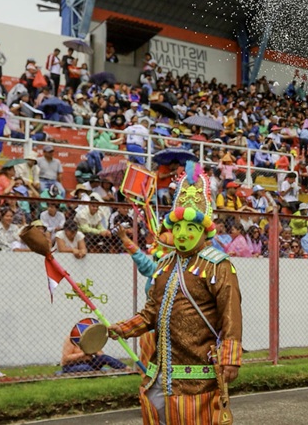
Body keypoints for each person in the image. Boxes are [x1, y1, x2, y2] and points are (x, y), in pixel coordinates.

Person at [108, 164, 242, 423]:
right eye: (178, 226)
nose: (183, 233)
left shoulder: (218, 264)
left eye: (191, 227)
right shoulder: (166, 264)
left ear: (204, 230)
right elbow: (151, 313)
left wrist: (231, 358)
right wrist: (123, 329)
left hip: (197, 375)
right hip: (161, 373)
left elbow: (231, 314)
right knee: (155, 412)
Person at [61, 318, 128, 373]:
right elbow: (66, 359)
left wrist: (94, 351)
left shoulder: (91, 339)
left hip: (90, 363)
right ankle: (93, 371)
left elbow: (101, 354)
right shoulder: (70, 339)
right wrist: (84, 354)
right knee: (86, 368)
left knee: (105, 357)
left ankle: (126, 368)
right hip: (71, 366)